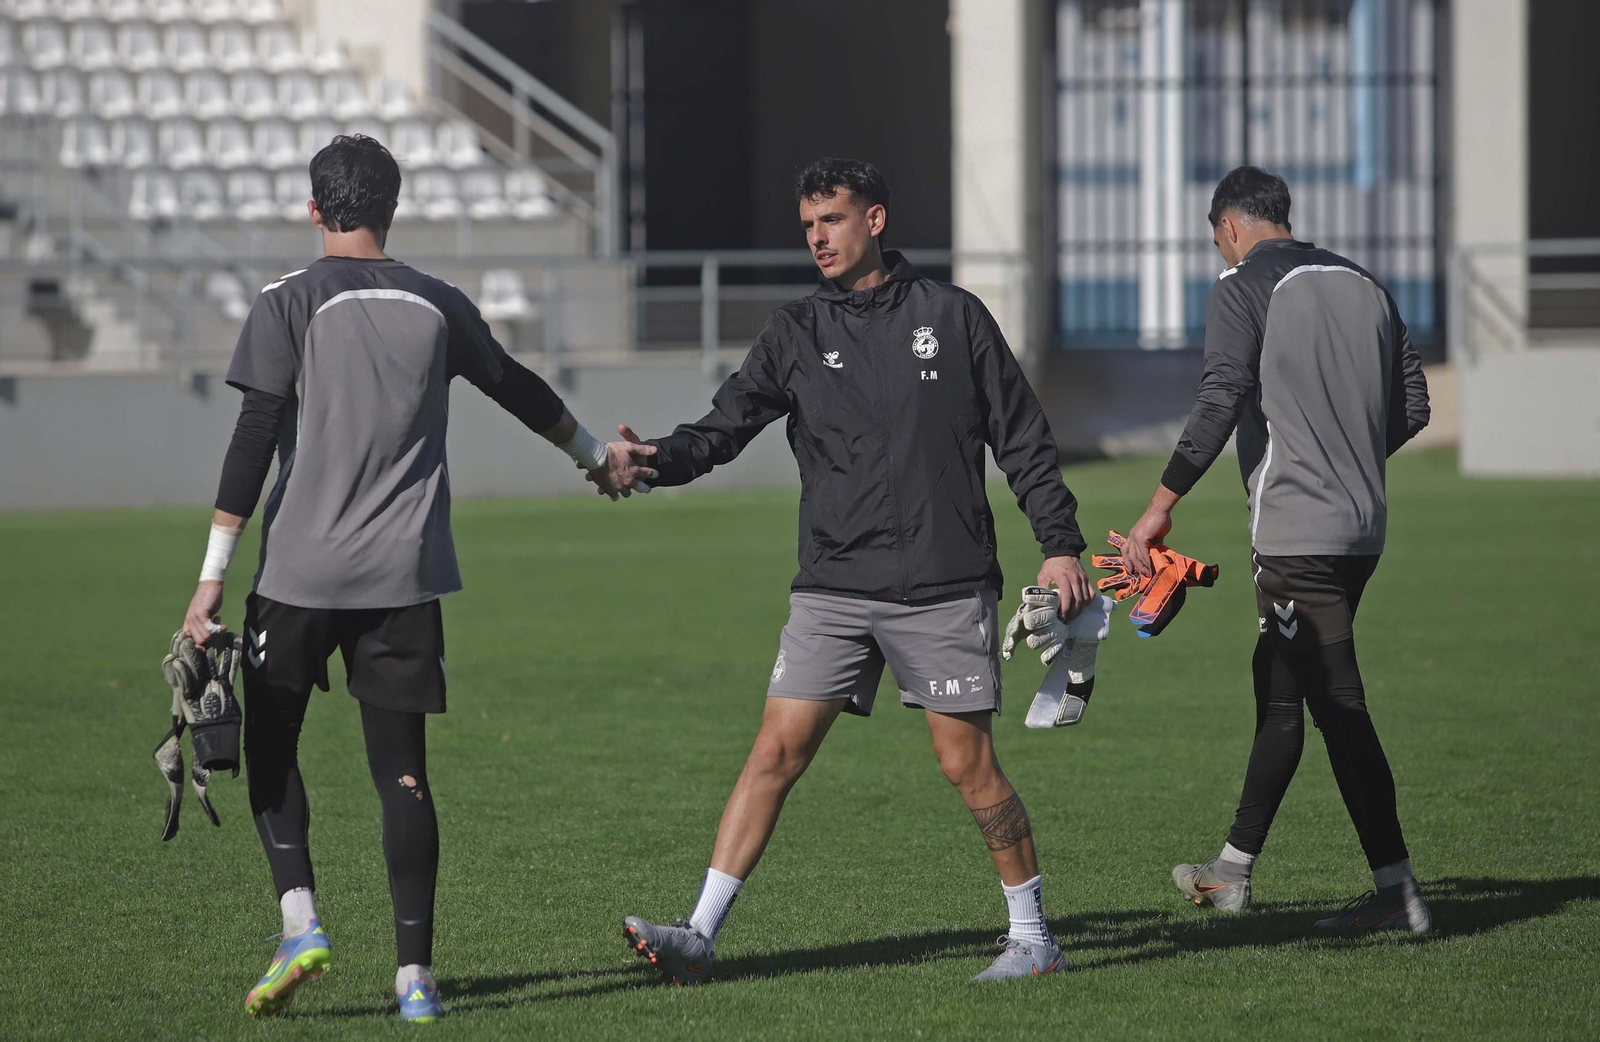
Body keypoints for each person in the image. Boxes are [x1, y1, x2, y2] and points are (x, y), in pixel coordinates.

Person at [177, 135, 655, 1021]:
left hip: (299, 572)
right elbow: (513, 385)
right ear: (393, 208)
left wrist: (211, 580)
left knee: (271, 748)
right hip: (404, 577)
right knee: (403, 774)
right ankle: (416, 982)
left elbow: (255, 436)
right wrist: (598, 456)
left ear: (314, 208)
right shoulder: (436, 302)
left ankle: (301, 924)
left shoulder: (287, 301)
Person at [613, 157, 1093, 983]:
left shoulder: (954, 315)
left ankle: (1033, 939)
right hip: (834, 583)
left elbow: (1022, 438)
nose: (817, 240)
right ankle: (697, 934)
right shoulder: (796, 330)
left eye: (831, 221)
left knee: (965, 765)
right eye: (807, 227)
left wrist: (1059, 541)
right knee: (775, 752)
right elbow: (722, 429)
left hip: (941, 580)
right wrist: (655, 459)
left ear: (874, 220)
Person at [1119, 166, 1432, 933]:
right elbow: (1415, 404)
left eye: (1217, 241)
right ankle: (1230, 872)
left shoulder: (1240, 286)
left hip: (1298, 534)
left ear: (1228, 226)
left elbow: (1220, 394)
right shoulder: (1367, 284)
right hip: (1362, 529)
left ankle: (1397, 894)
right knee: (1280, 683)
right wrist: (1348, 458)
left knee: (1337, 704)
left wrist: (1160, 507)